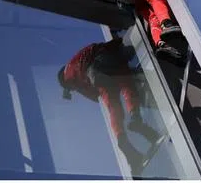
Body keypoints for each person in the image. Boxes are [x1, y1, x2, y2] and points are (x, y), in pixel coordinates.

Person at [57, 36, 166, 175]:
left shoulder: (73, 81)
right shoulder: (75, 60)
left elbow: (94, 96)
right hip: (103, 62)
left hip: (95, 77)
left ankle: (123, 141)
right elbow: (97, 47)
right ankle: (135, 118)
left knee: (113, 107)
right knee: (127, 85)